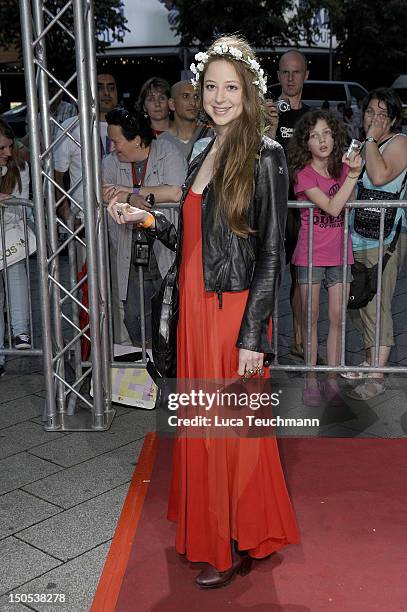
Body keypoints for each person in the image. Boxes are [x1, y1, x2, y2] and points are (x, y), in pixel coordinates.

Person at [108, 35, 299, 588]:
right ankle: (228, 530)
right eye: (210, 86)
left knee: (230, 433)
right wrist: (146, 220)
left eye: (229, 87)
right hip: (193, 307)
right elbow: (194, 237)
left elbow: (270, 256)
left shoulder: (267, 155)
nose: (218, 97)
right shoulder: (201, 151)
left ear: (249, 92)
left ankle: (231, 542)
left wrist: (251, 336)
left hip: (232, 313)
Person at [288, 110, 362, 406]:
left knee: (337, 320)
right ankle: (310, 379)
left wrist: (350, 175)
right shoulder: (303, 174)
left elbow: (351, 201)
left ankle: (331, 378)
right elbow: (334, 207)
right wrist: (353, 176)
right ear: (305, 141)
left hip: (340, 255)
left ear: (336, 136)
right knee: (310, 320)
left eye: (327, 133)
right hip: (310, 256)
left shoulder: (343, 169)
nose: (322, 140)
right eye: (315, 135)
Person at [102, 107, 187, 346]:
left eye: (116, 141)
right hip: (130, 256)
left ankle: (169, 378)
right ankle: (143, 376)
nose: (112, 147)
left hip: (164, 253)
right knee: (134, 320)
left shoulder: (168, 153)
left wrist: (129, 191)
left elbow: (176, 192)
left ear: (137, 140)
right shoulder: (110, 162)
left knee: (169, 323)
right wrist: (130, 200)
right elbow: (101, 191)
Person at [346, 88, 407, 400]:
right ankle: (370, 360)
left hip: (386, 235)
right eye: (370, 111)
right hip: (358, 232)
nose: (374, 118)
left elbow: (381, 176)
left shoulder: (399, 143)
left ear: (393, 119)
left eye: (382, 113)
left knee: (377, 301)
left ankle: (377, 376)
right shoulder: (365, 142)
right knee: (358, 298)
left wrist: (370, 139)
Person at [266, 50, 310, 361]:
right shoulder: (267, 110)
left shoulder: (313, 118)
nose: (290, 78)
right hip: (272, 206)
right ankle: (261, 342)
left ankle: (298, 340)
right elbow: (260, 153)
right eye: (285, 72)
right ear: (278, 75)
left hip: (302, 209)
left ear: (306, 74)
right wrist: (270, 124)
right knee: (267, 276)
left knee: (301, 279)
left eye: (296, 72)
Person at [0, 119, 32, 376]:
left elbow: (22, 207)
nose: (8, 153)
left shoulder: (20, 167)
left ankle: (20, 330)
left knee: (16, 270)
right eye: (1, 148)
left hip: (10, 235)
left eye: (10, 147)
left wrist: (5, 201)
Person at [159, 80, 213, 161]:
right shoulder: (161, 142)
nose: (193, 103)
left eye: (196, 97)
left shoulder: (211, 136)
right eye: (185, 96)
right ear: (172, 104)